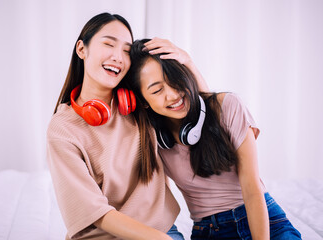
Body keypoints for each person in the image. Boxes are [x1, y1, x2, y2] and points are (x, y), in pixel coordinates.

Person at [46, 13, 208, 240]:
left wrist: (187, 62)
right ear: (81, 49)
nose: (118, 57)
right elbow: (95, 212)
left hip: (160, 231)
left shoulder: (142, 104)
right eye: (109, 44)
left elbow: (201, 121)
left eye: (126, 50)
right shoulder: (63, 128)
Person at [123, 38, 302, 239]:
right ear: (143, 102)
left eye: (175, 80)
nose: (173, 95)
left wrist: (189, 62)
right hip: (210, 231)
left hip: (266, 222)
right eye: (157, 90)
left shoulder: (228, 107)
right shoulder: (151, 140)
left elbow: (252, 189)